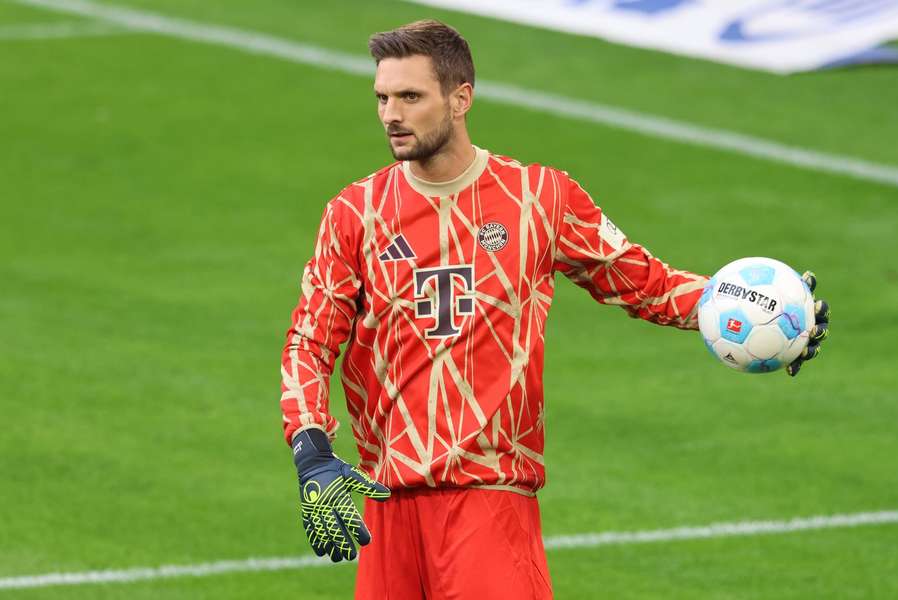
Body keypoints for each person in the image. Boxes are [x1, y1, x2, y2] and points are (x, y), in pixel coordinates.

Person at [279, 20, 830, 600]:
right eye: (383, 98)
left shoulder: (538, 198)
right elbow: (309, 341)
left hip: (489, 500)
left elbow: (643, 282)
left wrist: (747, 308)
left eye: (410, 97)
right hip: (385, 502)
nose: (391, 113)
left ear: (461, 97)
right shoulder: (354, 213)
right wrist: (311, 450)